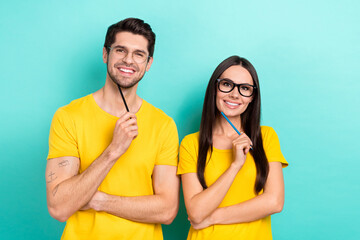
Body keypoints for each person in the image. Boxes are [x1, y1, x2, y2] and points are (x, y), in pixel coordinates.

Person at [45, 18, 180, 240]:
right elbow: (59, 207)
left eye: (139, 54)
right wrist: (113, 151)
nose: (129, 60)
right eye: (120, 50)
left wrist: (99, 201)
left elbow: (166, 210)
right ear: (105, 54)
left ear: (149, 63)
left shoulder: (163, 124)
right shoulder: (68, 117)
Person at [177, 56, 288, 240]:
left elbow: (274, 202)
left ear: (252, 97)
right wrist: (235, 165)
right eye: (227, 84)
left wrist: (212, 217)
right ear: (215, 88)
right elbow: (196, 213)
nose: (235, 94)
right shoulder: (191, 144)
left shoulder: (265, 137)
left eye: (244, 88)